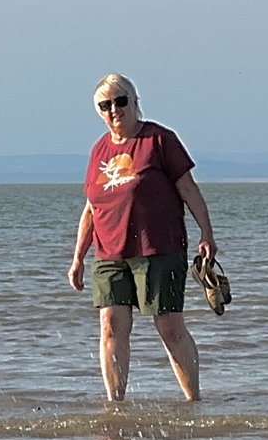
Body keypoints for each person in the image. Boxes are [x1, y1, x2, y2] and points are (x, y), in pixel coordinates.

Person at [67, 73, 218, 402]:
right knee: (110, 326)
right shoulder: (100, 151)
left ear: (134, 102)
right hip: (109, 254)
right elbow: (91, 207)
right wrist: (78, 257)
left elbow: (188, 189)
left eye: (120, 101)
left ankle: (194, 401)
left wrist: (206, 233)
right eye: (105, 105)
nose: (114, 110)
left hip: (158, 248)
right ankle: (115, 405)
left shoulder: (158, 140)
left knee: (170, 328)